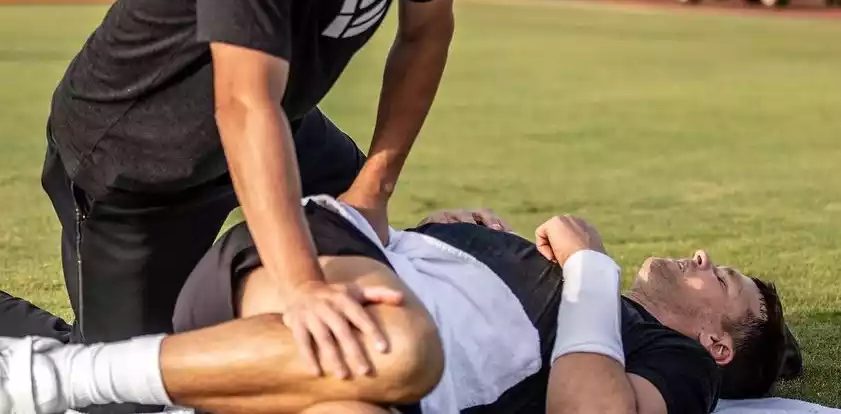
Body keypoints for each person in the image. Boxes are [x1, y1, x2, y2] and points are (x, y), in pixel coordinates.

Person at [6, 0, 513, 411]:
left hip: (283, 124)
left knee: (372, 255)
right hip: (138, 157)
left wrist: (373, 188)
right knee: (125, 388)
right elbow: (243, 103)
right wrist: (300, 286)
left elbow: (424, 37)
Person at [0, 199, 799, 414]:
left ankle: (68, 377)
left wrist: (591, 264)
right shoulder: (565, 291)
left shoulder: (673, 359)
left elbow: (586, 411)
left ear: (717, 343)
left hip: (346, 358)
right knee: (368, 345)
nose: (701, 258)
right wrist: (449, 239)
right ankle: (66, 377)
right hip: (323, 260)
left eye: (719, 278)